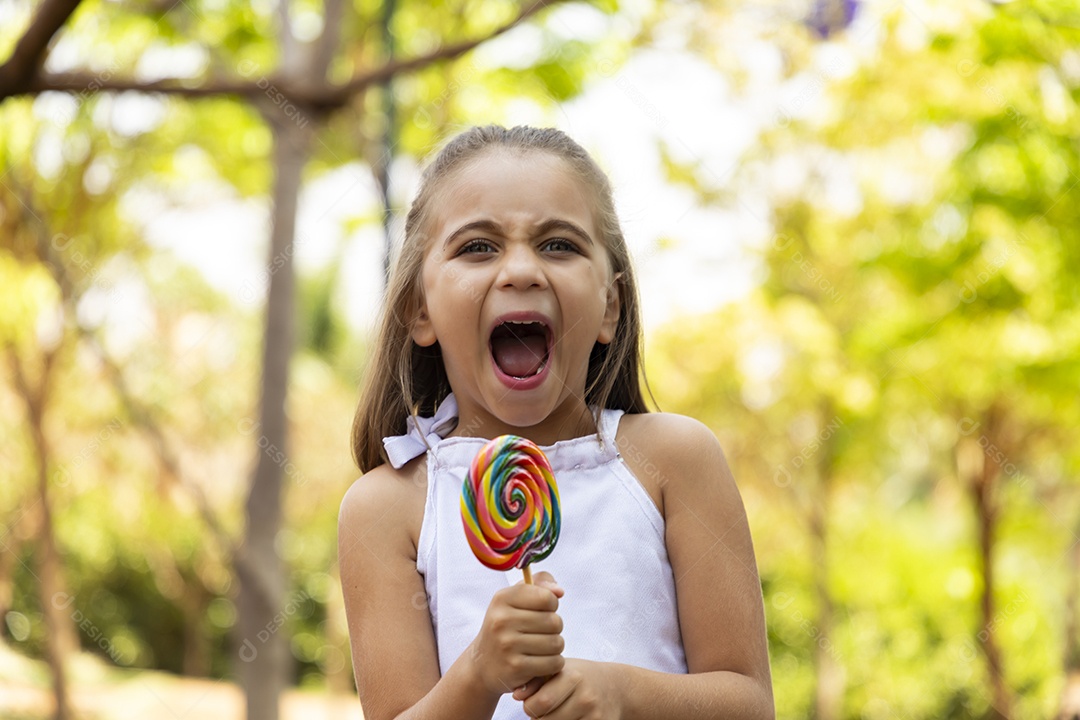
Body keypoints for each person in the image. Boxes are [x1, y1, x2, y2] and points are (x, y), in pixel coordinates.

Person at [339, 125, 773, 720]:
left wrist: (624, 694)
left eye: (559, 245)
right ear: (420, 308)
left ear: (609, 307)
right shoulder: (387, 506)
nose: (521, 271)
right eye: (478, 247)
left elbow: (749, 704)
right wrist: (479, 673)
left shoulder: (676, 460)